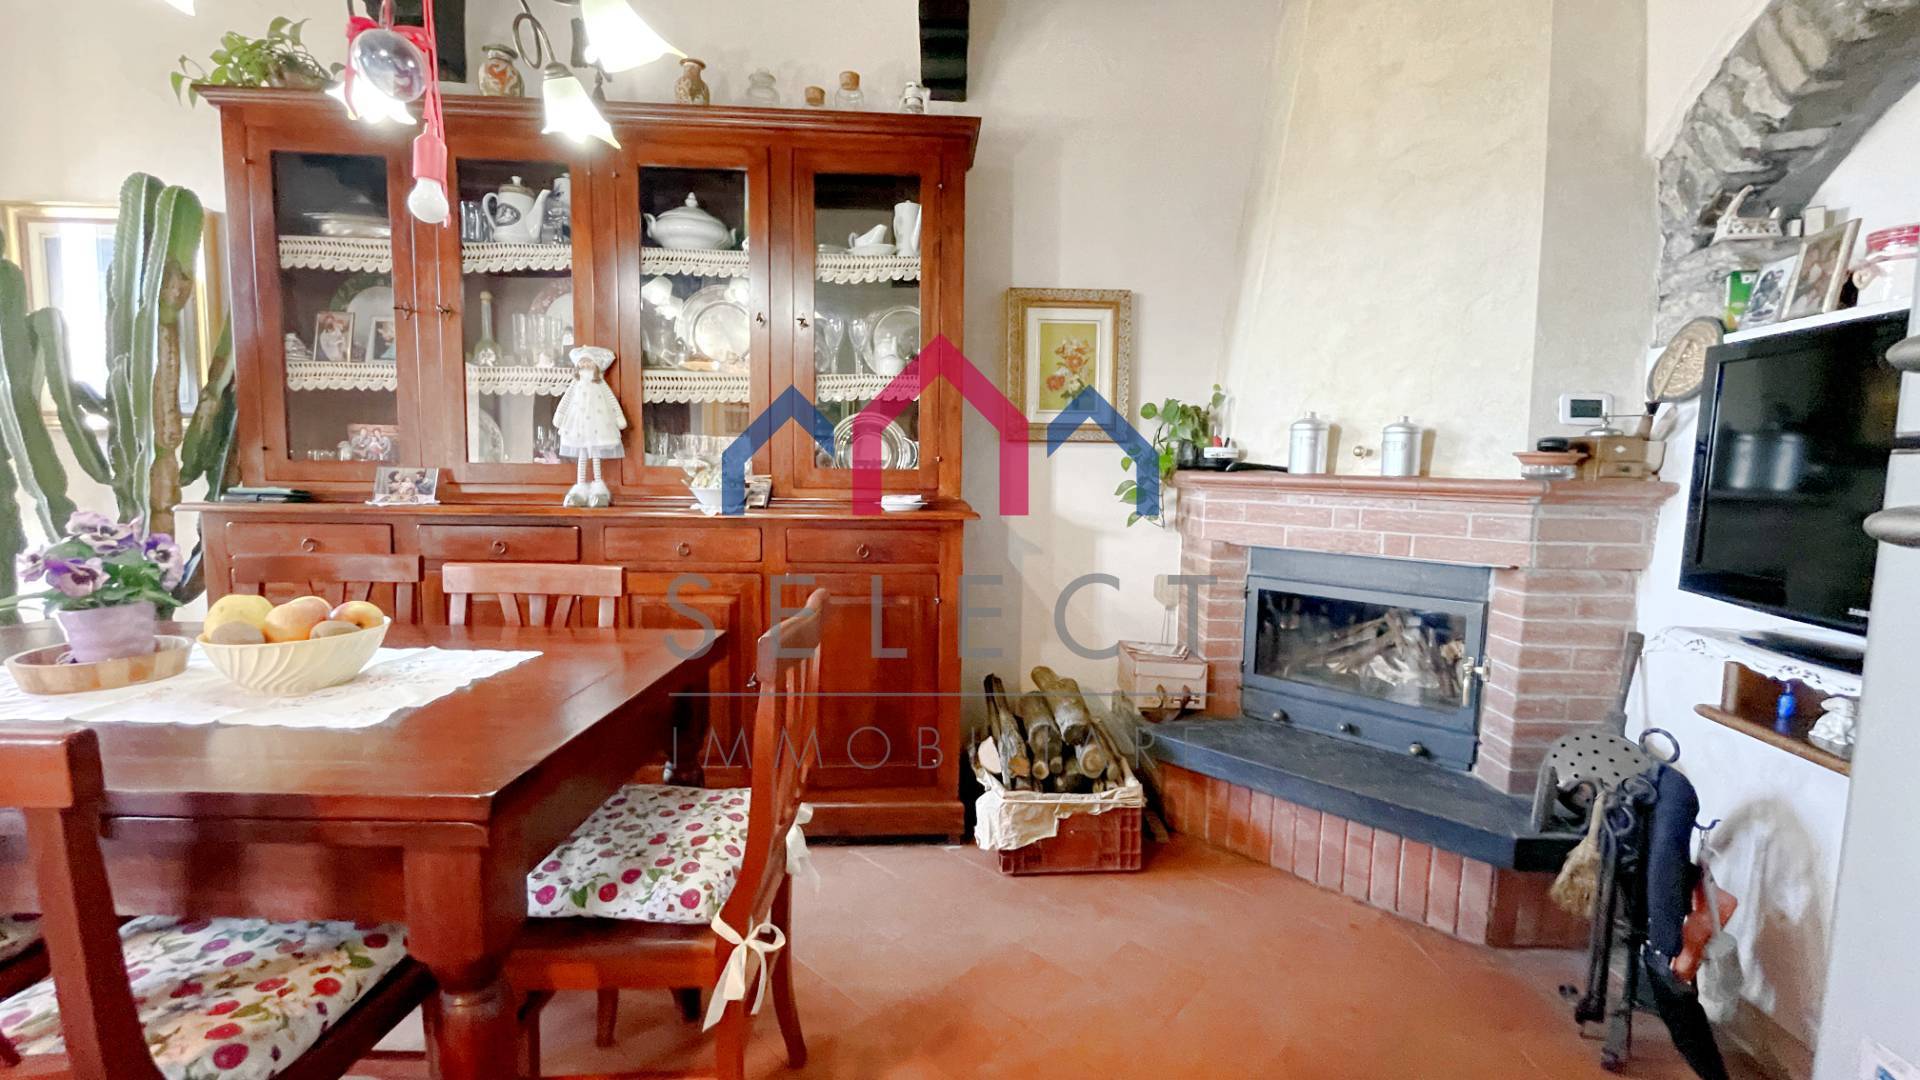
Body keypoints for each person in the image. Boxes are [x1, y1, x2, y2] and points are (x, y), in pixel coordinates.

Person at [552, 346, 626, 507]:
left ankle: (598, 488)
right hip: (578, 426)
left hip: (598, 425)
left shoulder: (600, 383)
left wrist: (619, 417)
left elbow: (612, 400)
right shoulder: (576, 383)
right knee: (582, 455)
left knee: (596, 455)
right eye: (583, 362)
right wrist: (560, 415)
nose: (585, 365)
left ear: (596, 365)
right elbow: (566, 399)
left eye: (589, 362)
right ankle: (580, 488)